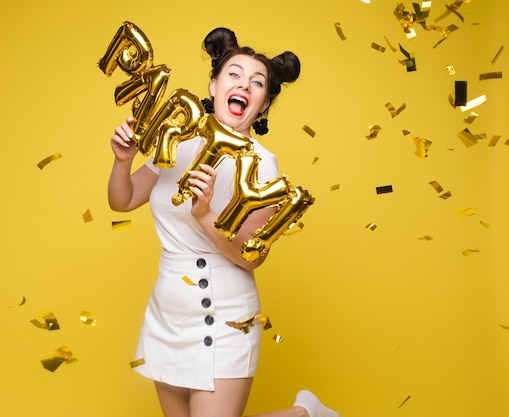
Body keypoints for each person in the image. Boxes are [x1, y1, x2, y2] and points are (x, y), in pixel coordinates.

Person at [108, 27, 340, 417]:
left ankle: (305, 414)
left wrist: (205, 215)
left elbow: (251, 257)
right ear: (214, 85)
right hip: (169, 310)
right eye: (233, 74)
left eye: (257, 82)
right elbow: (124, 199)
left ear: (263, 105)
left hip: (225, 313)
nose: (244, 86)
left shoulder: (262, 165)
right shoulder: (175, 141)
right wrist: (121, 159)